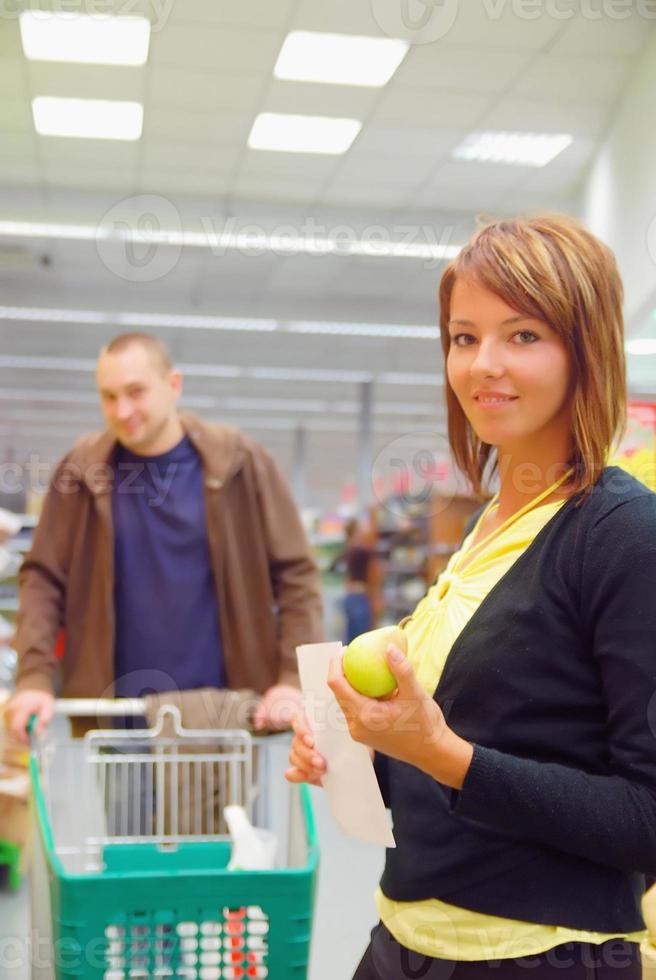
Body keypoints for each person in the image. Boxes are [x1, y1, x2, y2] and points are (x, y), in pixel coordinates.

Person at [286, 214, 656, 979]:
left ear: (584, 349)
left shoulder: (623, 533)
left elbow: (644, 816)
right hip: (406, 941)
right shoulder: (491, 522)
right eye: (463, 337)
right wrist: (363, 746)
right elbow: (493, 744)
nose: (484, 364)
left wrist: (443, 753)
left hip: (537, 957)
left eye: (523, 335)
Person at [8, 332, 324, 741]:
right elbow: (43, 579)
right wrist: (33, 678)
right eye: (109, 396)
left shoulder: (241, 463)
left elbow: (295, 575)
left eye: (136, 392)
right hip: (116, 720)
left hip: (222, 718)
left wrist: (292, 679)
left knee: (230, 810)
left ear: (173, 384)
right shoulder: (81, 471)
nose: (122, 410)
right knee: (126, 808)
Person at [330, 517, 377, 643]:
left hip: (349, 596)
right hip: (359, 597)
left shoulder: (347, 550)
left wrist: (346, 578)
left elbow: (332, 567)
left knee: (350, 638)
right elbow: (381, 552)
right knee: (362, 639)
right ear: (356, 531)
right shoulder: (360, 550)